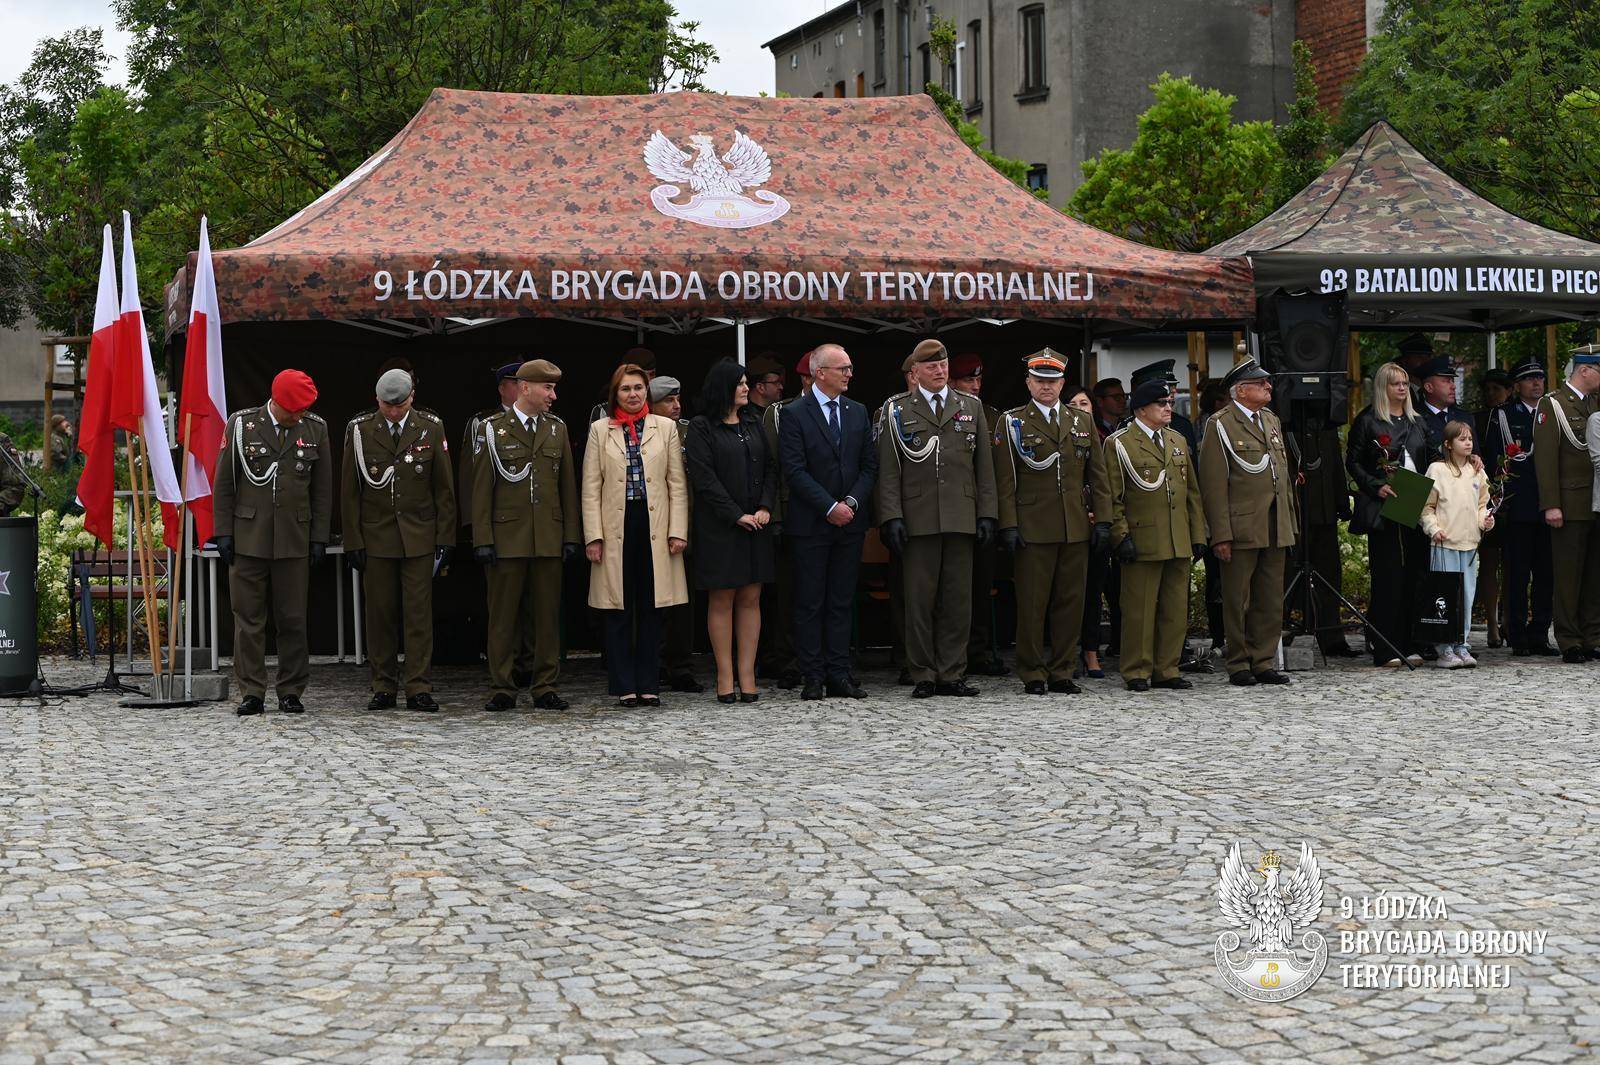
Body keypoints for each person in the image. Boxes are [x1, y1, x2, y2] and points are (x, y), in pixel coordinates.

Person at [875, 339, 998, 698]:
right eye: (932, 367)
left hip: (961, 514)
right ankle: (923, 672)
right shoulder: (897, 410)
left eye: (943, 365)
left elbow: (984, 467)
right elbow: (888, 470)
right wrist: (891, 516)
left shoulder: (970, 407)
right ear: (915, 372)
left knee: (958, 600)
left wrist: (987, 513)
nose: (940, 371)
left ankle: (952, 671)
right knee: (919, 600)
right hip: (918, 516)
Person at [212, 369, 332, 716]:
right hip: (249, 538)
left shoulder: (315, 429)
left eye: (303, 410)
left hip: (294, 539)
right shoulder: (242, 425)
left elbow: (322, 490)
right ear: (276, 402)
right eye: (293, 410)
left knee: (292, 619)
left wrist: (319, 537)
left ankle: (291, 690)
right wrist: (224, 532)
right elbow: (224, 482)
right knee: (248, 619)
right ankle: (252, 691)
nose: (298, 416)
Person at [995, 349, 1112, 695]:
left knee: (1070, 602)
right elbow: (1005, 480)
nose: (1046, 387)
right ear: (1028, 383)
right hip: (1032, 526)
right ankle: (1032, 671)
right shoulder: (1013, 422)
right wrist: (1008, 524)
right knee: (1033, 604)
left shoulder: (1081, 421)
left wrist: (1103, 520)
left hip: (1074, 525)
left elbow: (1098, 476)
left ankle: (1062, 670)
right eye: (1040, 380)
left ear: (1062, 384)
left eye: (1053, 381)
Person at [340, 368, 457, 712]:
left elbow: (443, 488)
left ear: (411, 398)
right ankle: (383, 685)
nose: (393, 412)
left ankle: (419, 686)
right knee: (380, 616)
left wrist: (446, 536)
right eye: (387, 405)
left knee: (418, 615)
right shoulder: (360, 430)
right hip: (376, 537)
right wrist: (353, 540)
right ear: (377, 400)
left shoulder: (430, 427)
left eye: (400, 405)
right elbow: (350, 492)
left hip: (418, 536)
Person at [472, 359, 581, 711]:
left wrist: (571, 534)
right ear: (524, 388)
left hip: (547, 535)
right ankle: (503, 686)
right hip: (507, 538)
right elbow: (481, 489)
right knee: (503, 618)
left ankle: (544, 684)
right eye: (547, 388)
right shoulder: (492, 429)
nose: (553, 395)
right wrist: (483, 538)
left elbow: (567, 486)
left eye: (553, 388)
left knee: (546, 618)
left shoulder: (556, 429)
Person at [582, 363, 689, 707]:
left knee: (652, 606)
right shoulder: (600, 429)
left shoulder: (665, 427)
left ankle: (649, 683)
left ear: (647, 392)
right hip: (615, 524)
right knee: (618, 606)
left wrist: (678, 531)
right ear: (615, 394)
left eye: (638, 388)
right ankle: (624, 685)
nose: (633, 395)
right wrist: (593, 536)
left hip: (655, 523)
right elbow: (591, 487)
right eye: (626, 389)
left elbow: (676, 484)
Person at [779, 343, 877, 700]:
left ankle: (839, 672)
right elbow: (794, 470)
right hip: (811, 523)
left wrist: (850, 502)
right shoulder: (794, 413)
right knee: (810, 602)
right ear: (820, 373)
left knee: (841, 600)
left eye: (849, 367)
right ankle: (813, 675)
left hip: (850, 521)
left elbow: (868, 466)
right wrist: (828, 506)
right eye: (842, 368)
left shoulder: (857, 411)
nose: (849, 373)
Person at [1199, 358, 1298, 687]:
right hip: (1241, 526)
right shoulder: (1221, 424)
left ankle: (1263, 660)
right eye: (1260, 383)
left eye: (1267, 382)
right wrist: (1220, 534)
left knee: (1269, 597)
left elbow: (1281, 475)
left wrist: (1289, 521)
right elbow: (1213, 485)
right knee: (1237, 598)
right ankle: (1238, 661)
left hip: (1274, 522)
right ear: (1240, 390)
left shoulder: (1270, 419)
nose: (1268, 387)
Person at [685, 359, 777, 703]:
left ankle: (748, 674)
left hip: (756, 523)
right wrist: (736, 514)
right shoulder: (702, 427)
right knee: (722, 598)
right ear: (723, 387)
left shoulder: (753, 422)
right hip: (720, 526)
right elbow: (704, 478)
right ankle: (725, 674)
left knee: (751, 597)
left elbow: (771, 467)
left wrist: (765, 506)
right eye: (740, 383)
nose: (745, 388)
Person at [1103, 380, 1204, 691]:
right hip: (1143, 537)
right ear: (1141, 409)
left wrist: (1198, 534)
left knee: (1175, 608)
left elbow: (1191, 493)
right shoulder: (1120, 443)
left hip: (1177, 537)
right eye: (1161, 403)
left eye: (1169, 402)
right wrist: (1121, 536)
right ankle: (1137, 669)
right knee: (1140, 609)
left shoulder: (1176, 439)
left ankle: (1167, 668)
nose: (1168, 408)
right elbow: (1112, 496)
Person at [1346, 361, 1431, 667]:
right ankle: (1384, 646)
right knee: (1389, 577)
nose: (1402, 388)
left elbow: (1431, 456)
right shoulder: (1368, 421)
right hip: (1385, 506)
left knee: (1415, 575)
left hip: (1415, 500)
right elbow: (1353, 461)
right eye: (1396, 383)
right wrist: (1375, 486)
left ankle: (1410, 642)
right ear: (1384, 387)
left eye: (1405, 383)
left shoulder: (1417, 421)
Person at [460, 361, 537, 686]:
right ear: (503, 387)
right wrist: (475, 529)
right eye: (516, 382)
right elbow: (471, 478)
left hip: (536, 530)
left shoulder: (547, 423)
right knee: (504, 607)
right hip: (500, 530)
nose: (522, 387)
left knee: (535, 606)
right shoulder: (484, 424)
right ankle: (506, 668)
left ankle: (531, 665)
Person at [1534, 346, 1600, 662]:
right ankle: (1569, 639)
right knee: (1568, 576)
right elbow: (1546, 458)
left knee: (1593, 575)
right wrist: (1551, 504)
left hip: (1595, 502)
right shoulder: (1554, 404)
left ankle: (1592, 636)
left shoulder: (1594, 404)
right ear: (1584, 370)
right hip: (1570, 503)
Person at [1485, 357, 1554, 656]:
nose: (1536, 383)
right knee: (1517, 575)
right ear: (1516, 386)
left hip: (1548, 504)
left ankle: (1540, 633)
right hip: (1517, 506)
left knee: (1546, 574)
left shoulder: (1552, 412)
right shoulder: (1502, 416)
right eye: (1529, 378)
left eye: (1540, 377)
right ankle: (1517, 634)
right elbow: (1493, 459)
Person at [951, 351, 1009, 676]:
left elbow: (998, 471)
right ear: (952, 382)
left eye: (978, 379)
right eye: (967, 379)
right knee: (952, 590)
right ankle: (952, 654)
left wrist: (992, 513)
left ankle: (978, 651)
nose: (975, 385)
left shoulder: (992, 416)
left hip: (982, 512)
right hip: (952, 511)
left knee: (982, 586)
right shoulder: (946, 410)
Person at [757, 350, 811, 689]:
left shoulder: (847, 410)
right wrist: (775, 516)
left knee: (821, 592)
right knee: (789, 593)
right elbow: (772, 468)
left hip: (828, 514)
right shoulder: (779, 413)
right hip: (792, 513)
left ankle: (819, 658)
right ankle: (788, 660)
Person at [1420, 421, 1493, 668]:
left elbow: (1482, 504)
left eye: (1470, 438)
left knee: (1467, 597)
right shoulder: (1437, 470)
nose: (1468, 443)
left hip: (1469, 543)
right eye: (1462, 439)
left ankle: (1462, 643)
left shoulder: (1477, 471)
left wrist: (1485, 521)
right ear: (1448, 444)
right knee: (1444, 597)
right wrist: (1433, 528)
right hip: (1445, 544)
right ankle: (1444, 648)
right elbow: (1426, 506)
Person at [651, 376, 702, 693]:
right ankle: (653, 663)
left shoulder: (689, 431)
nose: (676, 406)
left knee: (684, 602)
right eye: (669, 400)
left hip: (687, 527)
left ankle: (681, 665)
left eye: (678, 399)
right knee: (653, 601)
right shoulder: (642, 431)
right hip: (652, 527)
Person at [1067, 385, 1109, 680]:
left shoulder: (1106, 439)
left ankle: (1091, 651)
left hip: (1097, 523)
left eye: (1084, 403)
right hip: (1069, 521)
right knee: (1068, 592)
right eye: (1073, 404)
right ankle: (1067, 652)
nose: (1080, 408)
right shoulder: (1061, 435)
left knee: (1093, 591)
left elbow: (1108, 483)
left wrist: (1102, 515)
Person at [1474, 367, 1514, 648]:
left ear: (1508, 390)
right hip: (1486, 497)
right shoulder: (1477, 419)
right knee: (1488, 563)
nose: (1490, 394)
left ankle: (1509, 620)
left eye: (1496, 389)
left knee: (1512, 565)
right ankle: (1491, 624)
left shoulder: (1516, 416)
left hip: (1514, 498)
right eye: (1487, 389)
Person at [1416, 354, 1475, 463]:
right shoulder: (1415, 419)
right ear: (1429, 387)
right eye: (1446, 381)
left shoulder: (1465, 418)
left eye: (1452, 380)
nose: (1453, 386)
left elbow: (1476, 456)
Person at [587, 346, 657, 427]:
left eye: (652, 374)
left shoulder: (660, 407)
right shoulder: (602, 411)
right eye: (625, 389)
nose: (633, 394)